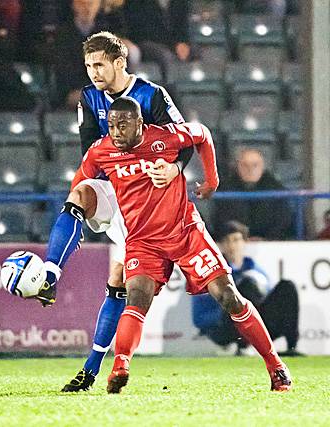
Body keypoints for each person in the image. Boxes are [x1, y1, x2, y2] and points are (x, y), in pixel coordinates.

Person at [38, 97, 292, 393]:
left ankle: (276, 366)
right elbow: (80, 184)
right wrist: (76, 219)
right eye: (111, 125)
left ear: (140, 123)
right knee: (136, 298)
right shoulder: (101, 150)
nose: (116, 131)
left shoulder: (165, 137)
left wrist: (211, 180)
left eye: (123, 125)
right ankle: (120, 367)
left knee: (228, 297)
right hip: (143, 241)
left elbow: (203, 135)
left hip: (184, 232)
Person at [61, 31, 190, 393]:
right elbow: (90, 153)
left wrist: (175, 169)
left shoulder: (151, 95)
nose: (92, 72)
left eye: (99, 64)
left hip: (156, 201)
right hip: (120, 196)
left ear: (120, 62)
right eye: (88, 65)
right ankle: (53, 273)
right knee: (80, 195)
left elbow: (186, 139)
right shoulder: (88, 99)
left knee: (218, 291)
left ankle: (94, 369)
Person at [192, 221, 302, 356]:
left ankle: (291, 347)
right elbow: (198, 317)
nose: (232, 245)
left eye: (236, 240)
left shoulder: (257, 272)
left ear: (245, 242)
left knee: (287, 287)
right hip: (225, 328)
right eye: (227, 241)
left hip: (254, 323)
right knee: (243, 288)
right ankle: (240, 344)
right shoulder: (209, 272)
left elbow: (266, 304)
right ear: (220, 246)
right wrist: (221, 312)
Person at [213, 148, 294, 240]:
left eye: (255, 165)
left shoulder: (277, 190)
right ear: (237, 167)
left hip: (270, 244)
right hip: (236, 243)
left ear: (262, 166)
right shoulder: (225, 190)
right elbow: (221, 221)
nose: (250, 169)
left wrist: (267, 238)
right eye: (245, 165)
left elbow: (283, 221)